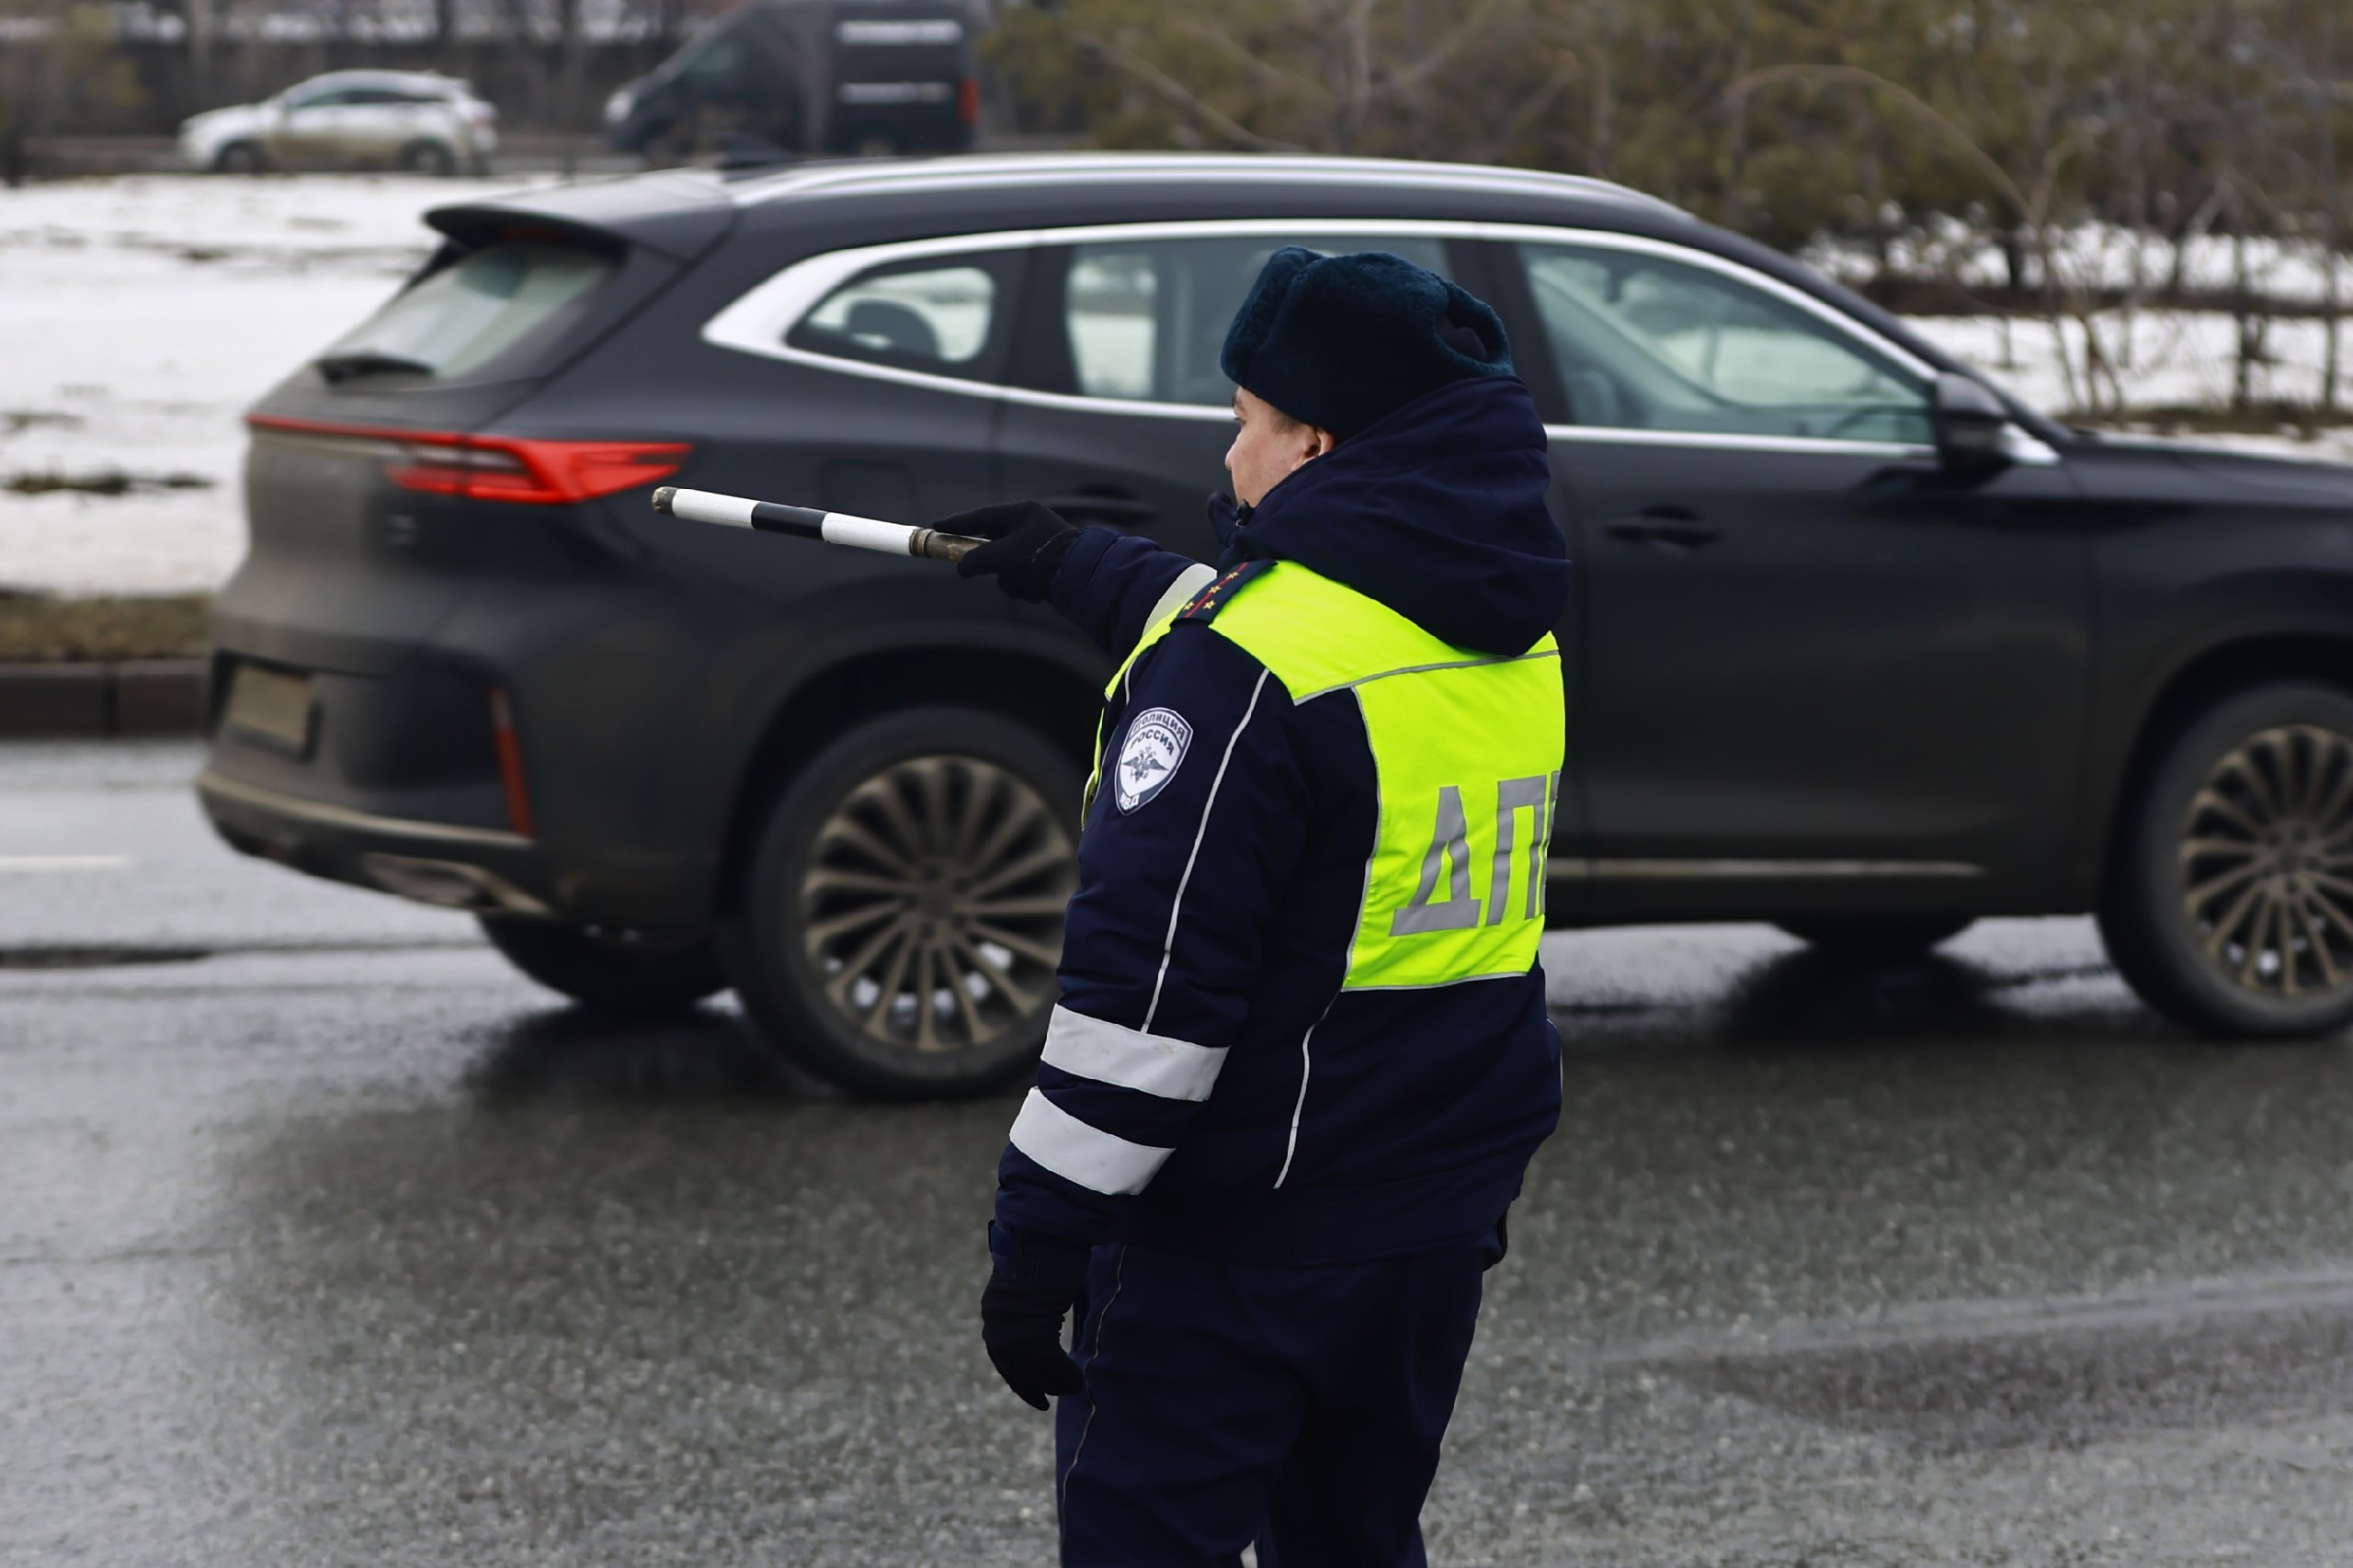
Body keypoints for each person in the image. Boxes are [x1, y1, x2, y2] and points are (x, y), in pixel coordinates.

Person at [939, 246, 1572, 1566]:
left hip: (1237, 1249)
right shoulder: (1502, 625)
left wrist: (1037, 1241)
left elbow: (1144, 1008)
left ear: (1318, 443)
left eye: (1246, 422)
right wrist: (1079, 563)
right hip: (1427, 1224)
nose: (1228, 457)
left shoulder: (1238, 677)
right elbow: (1310, 634)